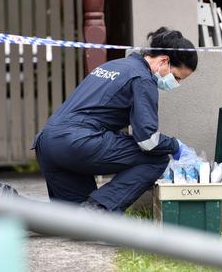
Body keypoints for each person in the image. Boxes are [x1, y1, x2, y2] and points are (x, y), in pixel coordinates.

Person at [32, 27, 197, 212]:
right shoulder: (143, 79)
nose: (177, 83)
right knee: (157, 159)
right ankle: (100, 210)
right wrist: (176, 147)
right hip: (77, 142)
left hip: (47, 144)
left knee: (72, 220)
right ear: (164, 60)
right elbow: (147, 140)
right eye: (176, 77)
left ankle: (0, 200)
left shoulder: (114, 65)